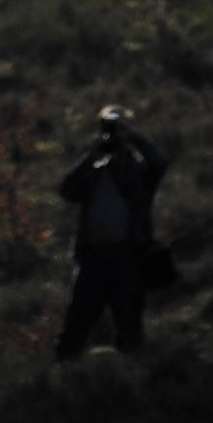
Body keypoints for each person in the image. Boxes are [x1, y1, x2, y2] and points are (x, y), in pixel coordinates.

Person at [54, 105, 170, 360]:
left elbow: (160, 162)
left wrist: (132, 135)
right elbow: (67, 190)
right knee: (75, 325)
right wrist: (91, 156)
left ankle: (130, 377)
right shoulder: (93, 169)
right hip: (92, 258)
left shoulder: (138, 171)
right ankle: (60, 374)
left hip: (127, 257)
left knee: (129, 326)